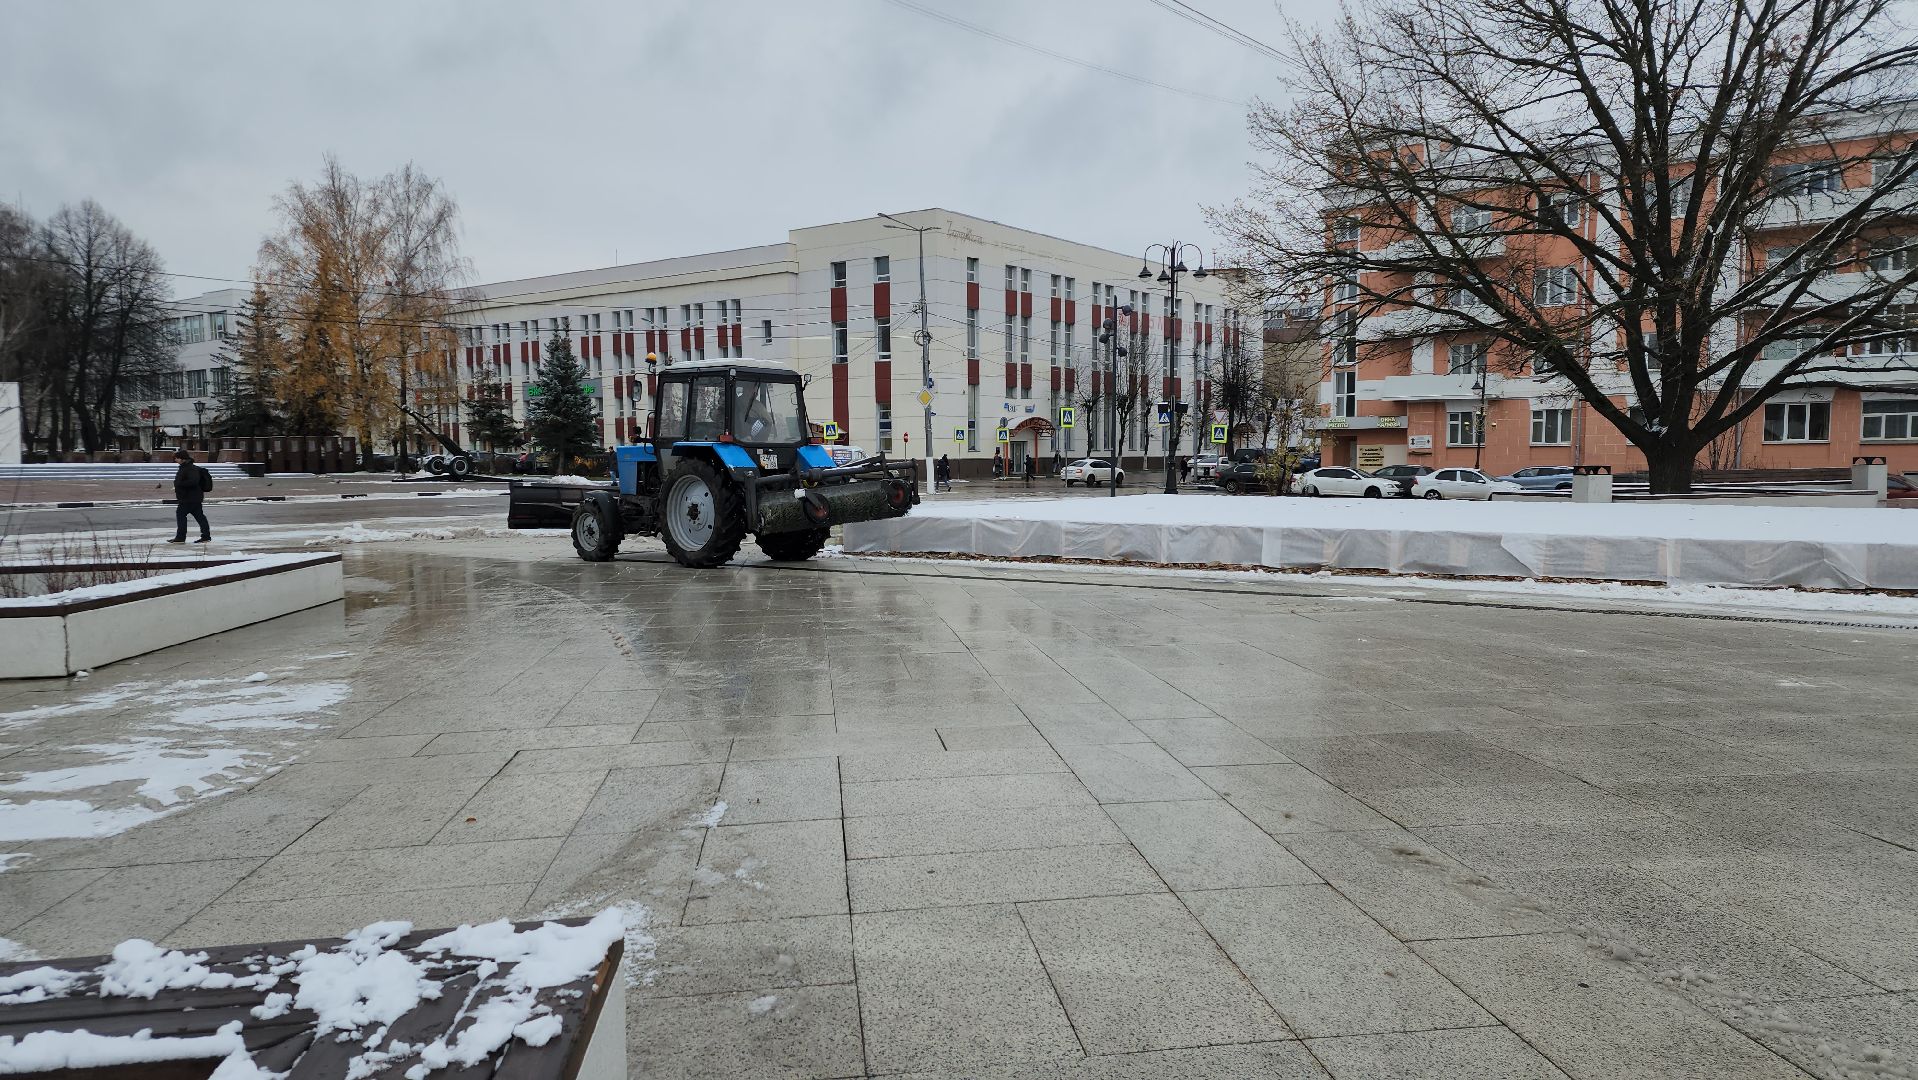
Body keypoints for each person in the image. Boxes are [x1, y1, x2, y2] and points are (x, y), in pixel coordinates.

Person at [168, 449, 212, 544]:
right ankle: (206, 536)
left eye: (177, 458)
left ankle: (180, 537)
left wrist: (179, 484)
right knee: (200, 517)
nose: (176, 460)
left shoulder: (190, 468)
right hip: (192, 497)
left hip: (189, 498)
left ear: (182, 459)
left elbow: (193, 481)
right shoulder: (185, 467)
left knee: (181, 515)